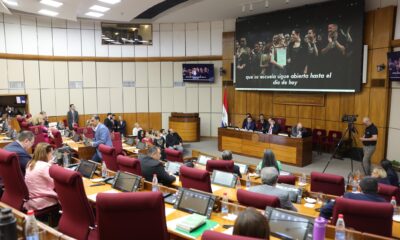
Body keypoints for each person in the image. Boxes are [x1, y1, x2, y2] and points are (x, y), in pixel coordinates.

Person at [320, 177, 386, 220]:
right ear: (378, 189)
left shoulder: (349, 196)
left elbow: (325, 210)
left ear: (359, 188)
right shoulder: (385, 205)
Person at [24, 143, 58, 211]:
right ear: (46, 154)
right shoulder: (45, 166)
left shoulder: (30, 163)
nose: (52, 156)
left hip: (30, 199)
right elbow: (56, 184)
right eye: (51, 153)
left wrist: (48, 164)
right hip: (40, 200)